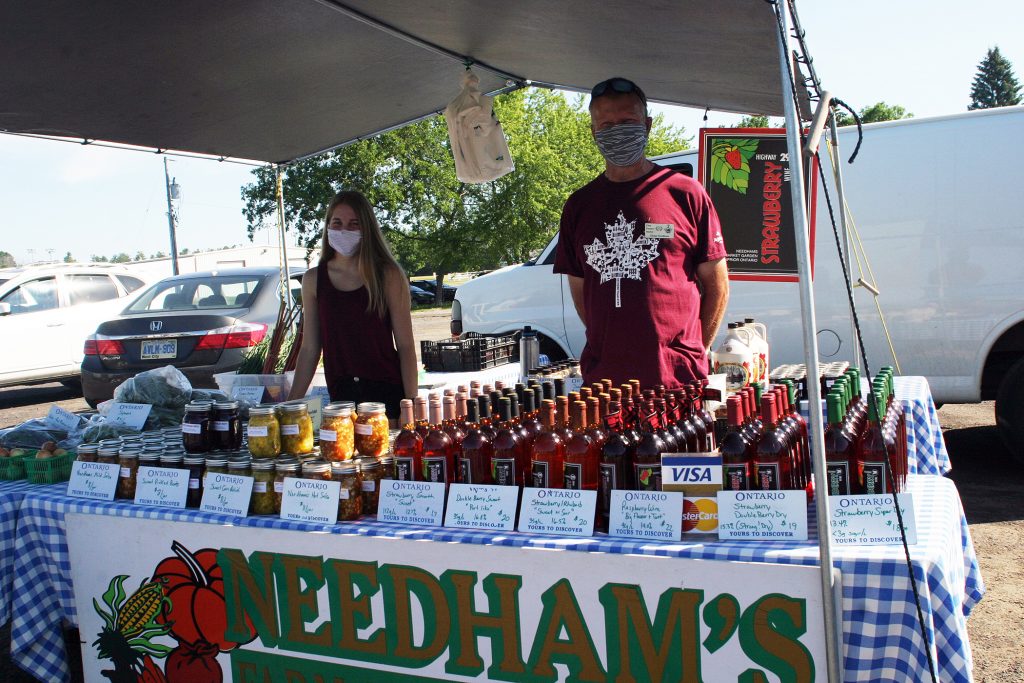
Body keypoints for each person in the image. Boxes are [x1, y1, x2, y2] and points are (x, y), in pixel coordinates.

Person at [553, 77, 730, 389]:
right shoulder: (579, 206)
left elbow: (718, 286)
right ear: (593, 132)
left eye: (627, 121)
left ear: (647, 125)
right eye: (605, 124)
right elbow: (581, 290)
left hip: (677, 380)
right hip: (606, 383)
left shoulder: (685, 193)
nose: (616, 131)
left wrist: (696, 349)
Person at [288, 190, 417, 419]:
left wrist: (412, 406)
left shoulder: (388, 275)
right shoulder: (313, 280)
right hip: (341, 400)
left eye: (353, 224)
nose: (343, 230)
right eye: (337, 223)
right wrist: (291, 405)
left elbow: (406, 346)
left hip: (386, 398)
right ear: (328, 227)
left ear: (366, 228)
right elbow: (309, 348)